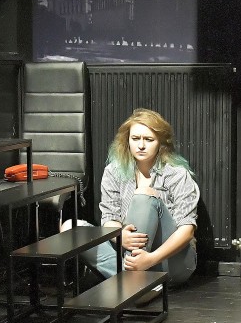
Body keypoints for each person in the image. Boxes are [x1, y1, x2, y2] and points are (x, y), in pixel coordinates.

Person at [79, 108, 199, 300]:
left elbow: (187, 231)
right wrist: (119, 237)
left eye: (149, 140)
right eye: (135, 139)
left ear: (161, 143)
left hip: (171, 261)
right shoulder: (113, 172)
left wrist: (150, 259)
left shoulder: (177, 174)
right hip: (130, 258)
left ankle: (134, 283)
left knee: (144, 195)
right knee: (73, 229)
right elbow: (109, 217)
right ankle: (141, 285)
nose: (141, 145)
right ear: (127, 140)